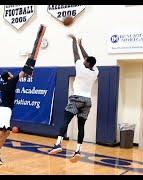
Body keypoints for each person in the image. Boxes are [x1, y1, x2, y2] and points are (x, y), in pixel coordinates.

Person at [48, 34, 99, 163]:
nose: (84, 60)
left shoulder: (80, 66)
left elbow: (75, 54)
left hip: (76, 99)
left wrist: (74, 42)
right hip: (87, 101)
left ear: (87, 63)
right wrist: (81, 45)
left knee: (65, 120)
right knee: (81, 126)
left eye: (85, 60)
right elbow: (87, 57)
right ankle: (78, 150)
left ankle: (58, 144)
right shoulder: (95, 71)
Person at [0, 56, 37, 166]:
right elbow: (23, 72)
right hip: (4, 110)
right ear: (8, 77)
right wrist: (30, 60)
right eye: (10, 74)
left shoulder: (2, 84)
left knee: (7, 132)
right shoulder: (11, 81)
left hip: (5, 109)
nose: (12, 75)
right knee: (0, 131)